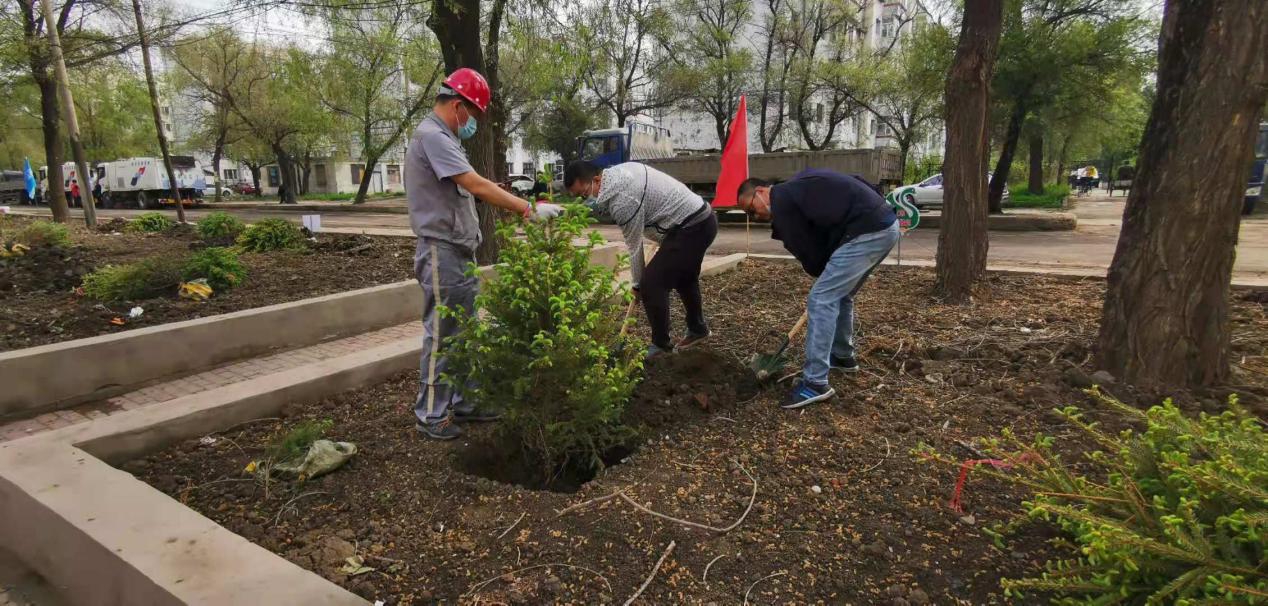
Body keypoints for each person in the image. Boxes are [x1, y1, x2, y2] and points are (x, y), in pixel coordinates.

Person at [407, 67, 563, 440]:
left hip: (457, 250)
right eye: (473, 115)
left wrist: (491, 190)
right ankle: (430, 414)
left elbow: (465, 187)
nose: (472, 123)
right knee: (443, 333)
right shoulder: (434, 136)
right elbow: (474, 184)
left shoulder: (444, 138)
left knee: (463, 332)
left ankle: (465, 401)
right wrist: (527, 209)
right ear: (458, 106)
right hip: (441, 251)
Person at [736, 170, 899, 409]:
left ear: (761, 192)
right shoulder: (797, 187)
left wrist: (823, 272)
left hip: (868, 232)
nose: (754, 217)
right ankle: (842, 356)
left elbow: (809, 252)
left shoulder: (784, 203)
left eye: (751, 210)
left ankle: (815, 382)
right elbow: (854, 184)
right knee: (840, 295)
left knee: (822, 299)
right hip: (884, 225)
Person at [565, 160, 718, 358]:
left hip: (692, 226)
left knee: (652, 283)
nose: (585, 200)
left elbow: (634, 246)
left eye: (584, 194)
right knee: (684, 275)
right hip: (701, 219)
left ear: (596, 180)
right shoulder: (619, 172)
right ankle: (698, 329)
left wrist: (637, 285)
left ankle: (661, 345)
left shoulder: (622, 201)